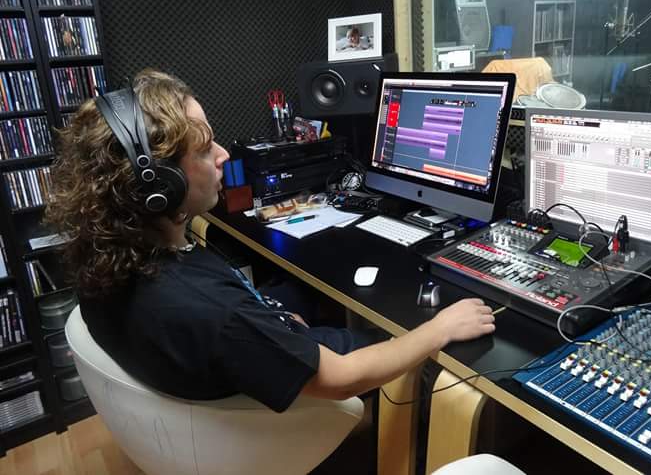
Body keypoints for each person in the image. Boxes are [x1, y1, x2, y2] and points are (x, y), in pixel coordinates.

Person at [45, 69, 496, 412]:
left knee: (301, 292)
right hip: (287, 411)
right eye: (204, 149)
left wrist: (268, 322)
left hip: (230, 367)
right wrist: (440, 328)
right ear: (159, 184)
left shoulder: (103, 256)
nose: (224, 155)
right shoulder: (218, 314)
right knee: (400, 331)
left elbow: (230, 317)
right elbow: (342, 376)